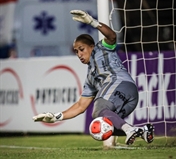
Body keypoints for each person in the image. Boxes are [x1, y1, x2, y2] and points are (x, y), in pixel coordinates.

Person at [33, 10, 154, 146]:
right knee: (100, 125)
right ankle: (141, 130)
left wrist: (92, 22)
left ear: (91, 46)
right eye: (76, 51)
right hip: (130, 99)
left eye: (81, 49)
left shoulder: (102, 48)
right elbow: (80, 106)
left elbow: (112, 36)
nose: (79, 54)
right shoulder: (90, 77)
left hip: (121, 83)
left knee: (98, 110)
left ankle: (129, 129)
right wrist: (56, 117)